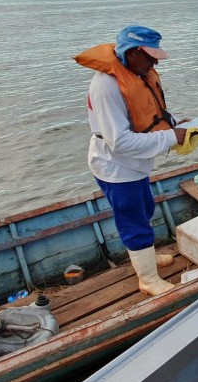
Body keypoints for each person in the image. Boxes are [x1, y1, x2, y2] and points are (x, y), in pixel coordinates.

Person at [75, 25, 188, 296]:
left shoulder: (138, 73)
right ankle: (147, 278)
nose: (155, 62)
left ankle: (145, 255)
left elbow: (146, 114)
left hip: (137, 164)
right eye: (150, 56)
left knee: (145, 210)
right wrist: (172, 138)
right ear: (133, 52)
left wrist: (173, 125)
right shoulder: (107, 86)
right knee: (133, 220)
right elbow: (120, 142)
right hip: (116, 167)